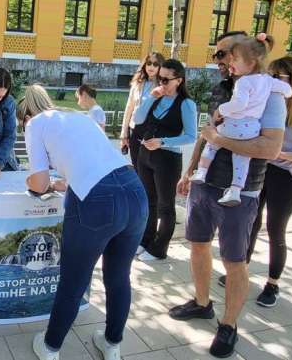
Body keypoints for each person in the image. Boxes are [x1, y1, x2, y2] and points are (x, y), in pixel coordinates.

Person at [169, 33, 287, 359]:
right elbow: (207, 133)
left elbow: (271, 147)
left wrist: (220, 140)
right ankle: (203, 304)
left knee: (234, 261)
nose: (219, 60)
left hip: (241, 190)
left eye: (225, 54)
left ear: (245, 55)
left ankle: (229, 325)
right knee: (198, 246)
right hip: (204, 183)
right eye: (218, 54)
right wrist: (190, 170)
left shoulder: (270, 95)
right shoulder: (221, 89)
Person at [18, 85, 148, 360]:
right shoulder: (78, 116)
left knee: (73, 282)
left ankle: (50, 347)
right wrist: (63, 182)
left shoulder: (35, 124)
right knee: (118, 276)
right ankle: (112, 345)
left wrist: (32, 181)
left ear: (26, 115)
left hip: (97, 202)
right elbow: (94, 164)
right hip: (134, 190)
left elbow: (38, 184)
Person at [217, 56, 292, 308]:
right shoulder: (263, 102)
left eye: (278, 78)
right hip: (258, 170)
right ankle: (240, 270)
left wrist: (281, 154)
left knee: (276, 230)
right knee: (250, 224)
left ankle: (272, 284)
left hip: (285, 177)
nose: (271, 81)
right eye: (270, 75)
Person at [192, 38, 292, 205]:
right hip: (251, 128)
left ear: (251, 62)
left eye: (233, 58)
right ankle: (235, 190)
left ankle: (201, 171)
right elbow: (288, 91)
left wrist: (221, 110)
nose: (228, 61)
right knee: (242, 159)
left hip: (234, 124)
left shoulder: (244, 81)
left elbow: (239, 104)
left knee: (211, 143)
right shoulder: (267, 81)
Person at [130, 59, 198, 262]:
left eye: (166, 80)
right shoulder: (157, 96)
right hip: (145, 155)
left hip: (167, 159)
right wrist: (151, 98)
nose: (162, 83)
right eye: (159, 78)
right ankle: (146, 239)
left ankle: (159, 248)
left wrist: (162, 142)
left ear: (179, 80)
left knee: (165, 205)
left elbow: (191, 136)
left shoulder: (186, 104)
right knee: (148, 200)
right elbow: (139, 119)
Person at [120, 53, 164, 162]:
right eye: (149, 63)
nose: (151, 67)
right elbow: (129, 108)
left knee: (147, 167)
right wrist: (124, 132)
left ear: (160, 67)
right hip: (134, 130)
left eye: (155, 64)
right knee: (136, 164)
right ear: (144, 65)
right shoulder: (137, 83)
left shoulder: (162, 87)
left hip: (150, 132)